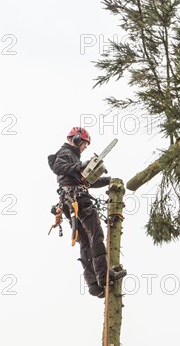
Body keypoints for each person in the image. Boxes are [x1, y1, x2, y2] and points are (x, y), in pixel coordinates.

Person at [48, 126, 126, 298]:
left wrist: (109, 180)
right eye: (84, 143)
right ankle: (104, 275)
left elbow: (85, 181)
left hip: (70, 201)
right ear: (75, 139)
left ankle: (93, 284)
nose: (85, 147)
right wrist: (81, 164)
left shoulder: (73, 160)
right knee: (95, 235)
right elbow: (58, 167)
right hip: (77, 199)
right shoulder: (65, 153)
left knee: (84, 240)